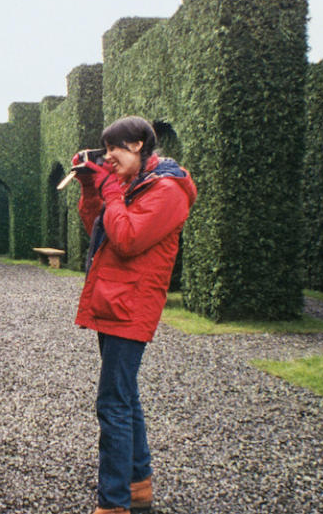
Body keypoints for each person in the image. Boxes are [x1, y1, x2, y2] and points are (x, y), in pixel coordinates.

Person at [71, 116, 197, 514]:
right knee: (125, 398)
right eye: (105, 150)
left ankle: (113, 504)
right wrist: (93, 188)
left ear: (140, 145)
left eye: (116, 149)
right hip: (113, 301)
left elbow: (126, 240)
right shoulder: (133, 184)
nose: (108, 157)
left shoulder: (168, 190)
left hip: (131, 305)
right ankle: (138, 486)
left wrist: (109, 190)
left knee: (112, 403)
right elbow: (99, 226)